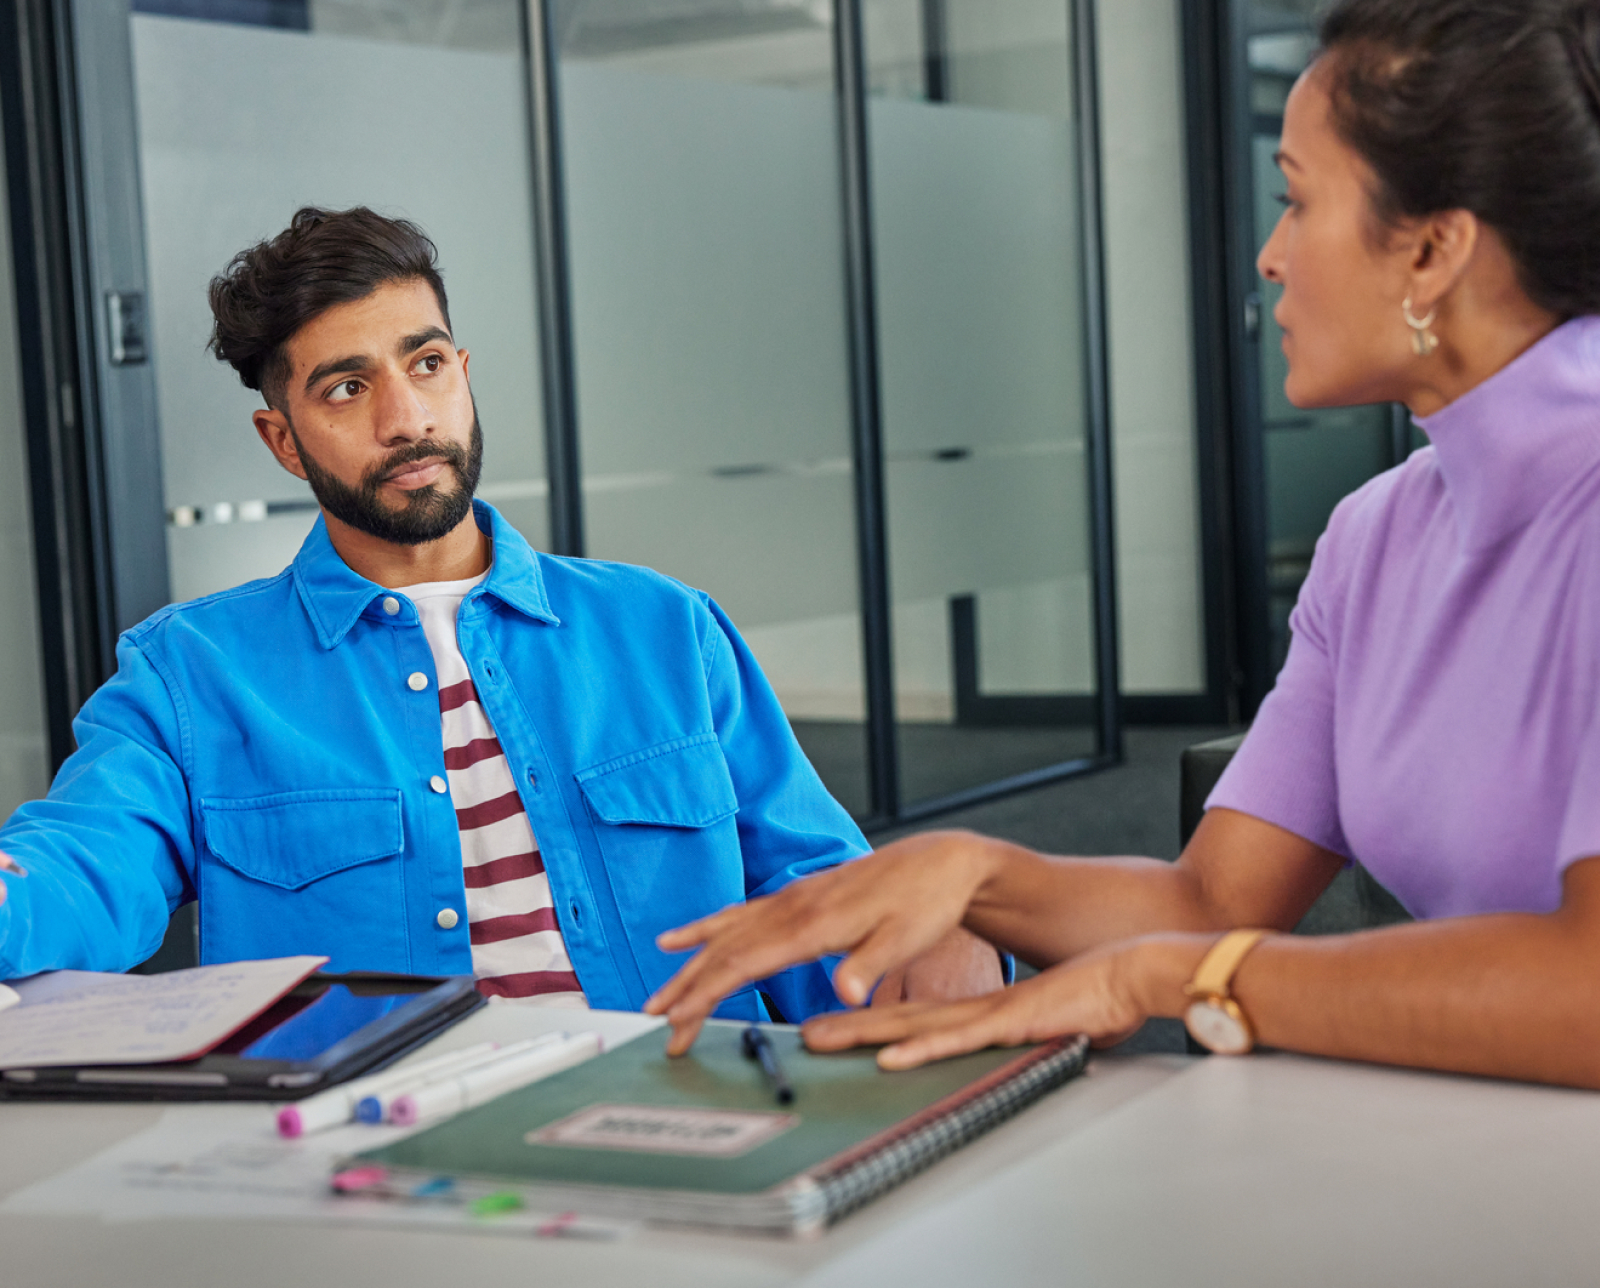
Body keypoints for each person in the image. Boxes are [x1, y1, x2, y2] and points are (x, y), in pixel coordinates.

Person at [645, 0, 1600, 1088]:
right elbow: (1210, 902)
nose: (1269, 254)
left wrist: (1172, 980)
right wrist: (972, 872)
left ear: (1431, 249)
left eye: (1294, 200)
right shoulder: (1375, 535)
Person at [0, 206, 1000, 1019]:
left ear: (462, 373)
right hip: (369, 1169)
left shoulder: (665, 629)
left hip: (685, 1121)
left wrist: (937, 930)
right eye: (347, 388)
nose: (407, 419)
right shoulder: (193, 672)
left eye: (425, 364)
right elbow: (85, 864)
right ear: (284, 440)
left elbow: (819, 888)